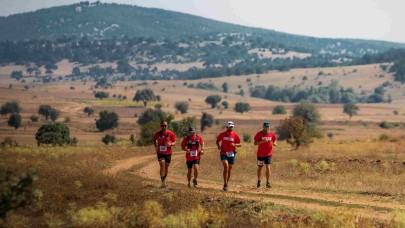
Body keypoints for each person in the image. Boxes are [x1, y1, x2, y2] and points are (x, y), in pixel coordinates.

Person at [216, 121, 241, 191]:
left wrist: (235, 145)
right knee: (226, 167)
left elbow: (240, 144)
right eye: (230, 127)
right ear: (227, 127)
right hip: (223, 153)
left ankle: (227, 183)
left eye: (232, 127)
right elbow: (217, 141)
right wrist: (218, 146)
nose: (231, 128)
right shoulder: (222, 134)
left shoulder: (235, 135)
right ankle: (225, 183)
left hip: (231, 153)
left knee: (229, 169)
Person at [254, 122, 277, 188]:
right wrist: (262, 142)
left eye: (268, 126)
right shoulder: (259, 134)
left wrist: (274, 143)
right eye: (266, 126)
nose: (267, 128)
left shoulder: (272, 134)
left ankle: (268, 182)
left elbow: (274, 140)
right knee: (260, 167)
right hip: (260, 154)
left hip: (268, 153)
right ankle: (259, 181)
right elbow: (255, 143)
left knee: (268, 166)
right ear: (263, 127)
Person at [153, 121, 176, 187]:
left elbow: (175, 141)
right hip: (160, 152)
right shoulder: (157, 133)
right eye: (162, 126)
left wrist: (171, 144)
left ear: (167, 126)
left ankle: (164, 178)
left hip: (168, 153)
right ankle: (162, 180)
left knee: (166, 167)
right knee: (162, 164)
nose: (163, 127)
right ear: (161, 126)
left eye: (165, 126)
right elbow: (154, 139)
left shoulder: (171, 133)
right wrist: (156, 146)